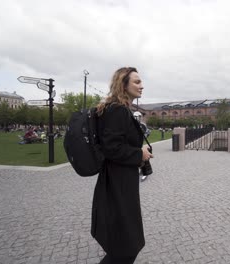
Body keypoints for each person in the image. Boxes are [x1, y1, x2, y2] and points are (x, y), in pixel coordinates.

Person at [92, 67, 153, 264]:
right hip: (119, 185)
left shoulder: (118, 109)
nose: (141, 86)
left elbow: (116, 144)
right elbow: (112, 148)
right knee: (126, 247)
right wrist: (139, 153)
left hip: (120, 181)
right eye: (136, 82)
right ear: (123, 84)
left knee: (125, 244)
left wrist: (137, 151)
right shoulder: (118, 110)